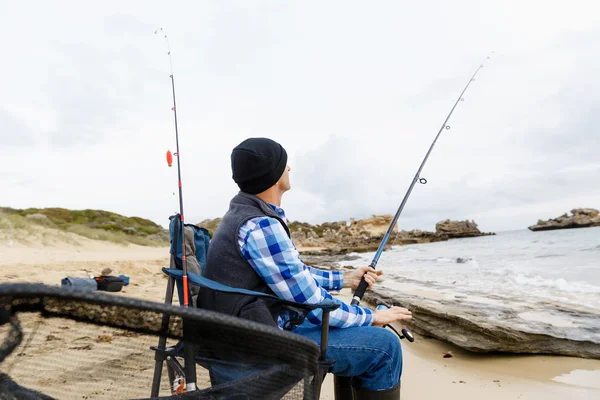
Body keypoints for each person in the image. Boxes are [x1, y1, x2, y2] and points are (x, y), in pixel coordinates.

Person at [200, 137, 412, 399]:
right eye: (284, 164)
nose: (289, 168)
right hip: (257, 342)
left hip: (246, 329)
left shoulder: (244, 213)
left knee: (357, 324)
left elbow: (294, 274)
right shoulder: (260, 226)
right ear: (273, 174)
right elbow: (310, 302)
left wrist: (345, 279)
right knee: (386, 347)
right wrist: (369, 317)